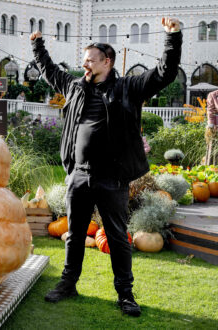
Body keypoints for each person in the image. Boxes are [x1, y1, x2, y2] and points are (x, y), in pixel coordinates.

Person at [31, 17, 182, 317]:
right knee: (74, 234)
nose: (85, 65)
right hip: (79, 175)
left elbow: (164, 74)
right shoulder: (75, 87)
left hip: (112, 179)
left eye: (90, 61)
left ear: (107, 62)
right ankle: (67, 283)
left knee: (116, 236)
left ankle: (125, 295)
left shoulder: (128, 87)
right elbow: (50, 71)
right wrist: (37, 45)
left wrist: (172, 38)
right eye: (84, 60)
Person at [205, 89, 218, 164]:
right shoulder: (212, 95)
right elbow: (210, 111)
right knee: (213, 148)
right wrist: (211, 125)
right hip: (216, 127)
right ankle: (212, 168)